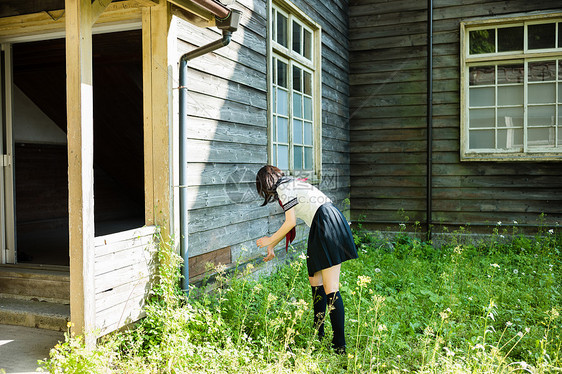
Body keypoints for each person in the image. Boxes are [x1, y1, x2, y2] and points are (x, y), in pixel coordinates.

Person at [255, 165, 358, 353]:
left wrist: (270, 240)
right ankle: (318, 333)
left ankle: (339, 345)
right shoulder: (289, 184)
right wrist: (271, 246)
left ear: (265, 183)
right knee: (315, 281)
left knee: (331, 288)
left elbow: (290, 222)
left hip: (325, 222)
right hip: (323, 223)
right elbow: (289, 222)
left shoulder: (284, 188)